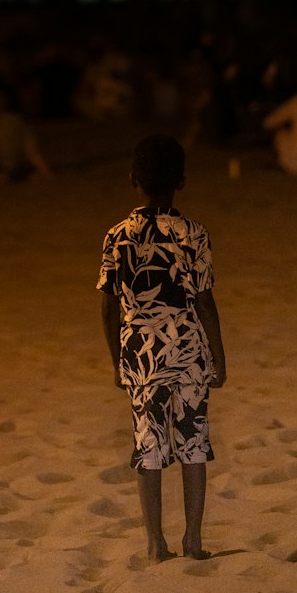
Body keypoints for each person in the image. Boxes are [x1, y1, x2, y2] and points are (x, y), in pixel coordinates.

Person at [98, 134, 227, 562]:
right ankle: (193, 539)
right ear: (182, 182)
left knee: (148, 446)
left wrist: (118, 362)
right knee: (194, 443)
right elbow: (205, 302)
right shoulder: (194, 234)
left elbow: (108, 307)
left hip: (140, 352)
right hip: (188, 349)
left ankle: (155, 542)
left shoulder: (116, 237)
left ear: (133, 178)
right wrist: (219, 357)